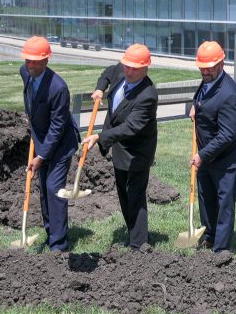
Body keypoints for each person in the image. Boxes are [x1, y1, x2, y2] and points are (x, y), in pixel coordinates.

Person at [82, 44, 158, 249]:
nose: (129, 71)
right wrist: (100, 87)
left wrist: (100, 137)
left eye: (134, 68)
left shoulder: (147, 95)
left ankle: (139, 244)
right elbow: (108, 72)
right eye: (127, 66)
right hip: (120, 148)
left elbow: (130, 127)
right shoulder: (122, 70)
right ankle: (135, 234)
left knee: (135, 195)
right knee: (123, 195)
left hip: (137, 151)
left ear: (145, 68)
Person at [20, 36, 79, 252]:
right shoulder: (26, 72)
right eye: (27, 59)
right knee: (44, 189)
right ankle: (50, 232)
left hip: (61, 144)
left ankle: (59, 244)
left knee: (54, 188)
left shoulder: (58, 88)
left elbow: (58, 127)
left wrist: (41, 157)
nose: (29, 64)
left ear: (46, 60)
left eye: (35, 61)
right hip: (41, 139)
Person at [190, 41, 236, 253]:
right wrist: (195, 108)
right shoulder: (208, 81)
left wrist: (202, 155)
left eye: (210, 67)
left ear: (222, 63)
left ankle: (221, 249)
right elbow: (203, 98)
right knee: (206, 200)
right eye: (202, 67)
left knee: (224, 204)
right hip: (207, 157)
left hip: (226, 160)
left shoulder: (230, 95)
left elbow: (227, 135)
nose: (205, 70)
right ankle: (210, 236)